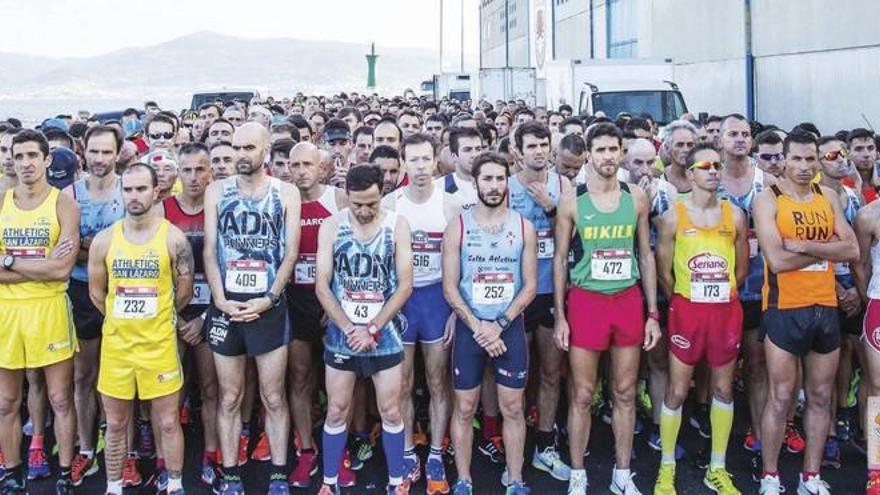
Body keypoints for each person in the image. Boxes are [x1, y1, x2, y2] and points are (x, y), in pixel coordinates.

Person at [554, 123, 661, 495]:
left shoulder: (636, 197)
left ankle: (622, 472)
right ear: (589, 155)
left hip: (627, 300)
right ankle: (579, 472)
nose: (608, 157)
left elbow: (645, 256)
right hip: (586, 301)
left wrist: (652, 314)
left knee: (625, 392)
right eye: (600, 150)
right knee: (582, 394)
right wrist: (561, 315)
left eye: (613, 149)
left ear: (621, 152)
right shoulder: (572, 199)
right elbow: (560, 259)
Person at [753, 131, 858, 495]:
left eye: (810, 159)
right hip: (785, 308)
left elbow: (852, 250)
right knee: (781, 397)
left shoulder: (828, 196)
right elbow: (778, 260)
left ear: (818, 160)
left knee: (820, 395)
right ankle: (770, 476)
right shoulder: (768, 200)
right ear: (782, 159)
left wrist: (807, 245)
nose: (803, 166)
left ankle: (810, 477)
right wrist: (825, 249)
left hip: (824, 307)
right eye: (795, 159)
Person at [203, 123, 302, 495]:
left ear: (265, 150)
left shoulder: (286, 193)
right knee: (229, 396)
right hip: (227, 303)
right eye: (235, 146)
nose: (241, 154)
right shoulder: (217, 191)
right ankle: (230, 474)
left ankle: (278, 473)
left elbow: (290, 252)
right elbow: (210, 250)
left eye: (248, 147)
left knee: (273, 395)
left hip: (269, 304)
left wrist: (271, 297)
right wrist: (219, 298)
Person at [87, 163, 194, 495]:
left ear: (155, 191)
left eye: (141, 189)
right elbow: (96, 292)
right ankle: (114, 486)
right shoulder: (104, 241)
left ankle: (174, 484)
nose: (134, 196)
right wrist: (122, 320)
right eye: (128, 189)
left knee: (167, 422)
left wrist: (159, 317)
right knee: (116, 424)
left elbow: (185, 291)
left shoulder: (174, 239)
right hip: (118, 348)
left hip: (158, 346)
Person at [653, 144, 749, 495]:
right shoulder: (672, 218)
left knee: (723, 387)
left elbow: (741, 269)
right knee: (677, 389)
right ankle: (666, 467)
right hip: (688, 310)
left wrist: (720, 292)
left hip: (725, 310)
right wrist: (685, 298)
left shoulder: (735, 215)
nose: (713, 171)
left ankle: (718, 468)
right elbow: (664, 272)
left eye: (717, 165)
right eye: (705, 166)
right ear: (689, 173)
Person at [314, 165, 413, 495]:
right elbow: (322, 286)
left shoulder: (396, 225)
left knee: (390, 409)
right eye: (357, 204)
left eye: (371, 203)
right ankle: (329, 481)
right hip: (343, 333)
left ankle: (396, 481)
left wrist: (371, 328)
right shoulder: (332, 225)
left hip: (383, 332)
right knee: (337, 408)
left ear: (382, 193)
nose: (364, 210)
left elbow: (405, 285)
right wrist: (348, 327)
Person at [443, 151, 537, 495]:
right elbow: (450, 287)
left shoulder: (524, 227)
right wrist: (479, 327)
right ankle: (464, 480)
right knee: (465, 407)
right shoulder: (459, 226)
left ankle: (515, 479)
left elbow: (529, 286)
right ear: (476, 182)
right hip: (471, 329)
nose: (494, 186)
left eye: (500, 179)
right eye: (488, 179)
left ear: (506, 182)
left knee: (512, 407)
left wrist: (498, 323)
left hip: (507, 328)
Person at [0, 130, 81, 494]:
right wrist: (39, 263)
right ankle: (14, 472)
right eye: (19, 157)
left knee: (60, 398)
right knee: (6, 402)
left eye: (33, 155)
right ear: (12, 161)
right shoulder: (2, 201)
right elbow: (47, 266)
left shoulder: (63, 204)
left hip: (49, 309)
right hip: (8, 312)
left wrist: (9, 260)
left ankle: (64, 471)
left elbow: (61, 270)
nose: (26, 163)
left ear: (47, 160)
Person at [382, 133, 460, 493]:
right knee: (402, 383)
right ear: (403, 162)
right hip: (403, 300)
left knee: (437, 381)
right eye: (413, 159)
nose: (421, 167)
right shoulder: (390, 204)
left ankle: (435, 452)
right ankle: (409, 451)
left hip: (436, 300)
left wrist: (455, 310)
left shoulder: (450, 206)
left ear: (435, 161)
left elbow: (460, 264)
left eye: (426, 159)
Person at [61, 125, 126, 486]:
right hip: (82, 291)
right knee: (83, 376)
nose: (99, 159)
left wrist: (90, 246)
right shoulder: (69, 194)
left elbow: (130, 243)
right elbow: (68, 248)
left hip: (122, 294)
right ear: (83, 152)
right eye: (94, 152)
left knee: (119, 381)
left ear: (118, 153)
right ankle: (86, 450)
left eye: (106, 152)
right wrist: (98, 247)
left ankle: (126, 453)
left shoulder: (127, 189)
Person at [509, 121, 572, 481]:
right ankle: (512, 448)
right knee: (517, 377)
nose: (538, 150)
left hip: (552, 292)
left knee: (551, 372)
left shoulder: (564, 186)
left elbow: (576, 237)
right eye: (531, 145)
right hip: (515, 295)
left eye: (543, 144)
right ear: (518, 150)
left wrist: (552, 209)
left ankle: (545, 444)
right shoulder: (503, 186)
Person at [285, 142, 347, 488]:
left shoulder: (337, 199)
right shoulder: (283, 200)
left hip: (332, 302)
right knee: (299, 376)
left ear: (321, 167)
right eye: (295, 165)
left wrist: (335, 302)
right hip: (295, 300)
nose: (301, 171)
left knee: (337, 381)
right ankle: (306, 449)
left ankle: (340, 450)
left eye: (308, 164)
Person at [161, 143, 223, 486]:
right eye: (186, 170)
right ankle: (164, 462)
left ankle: (210, 456)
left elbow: (230, 269)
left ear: (211, 171)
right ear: (177, 173)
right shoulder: (163, 209)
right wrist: (179, 318)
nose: (194, 177)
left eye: (201, 169)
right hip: (172, 311)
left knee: (211, 388)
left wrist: (204, 319)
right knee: (170, 391)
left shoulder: (220, 207)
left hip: (210, 309)